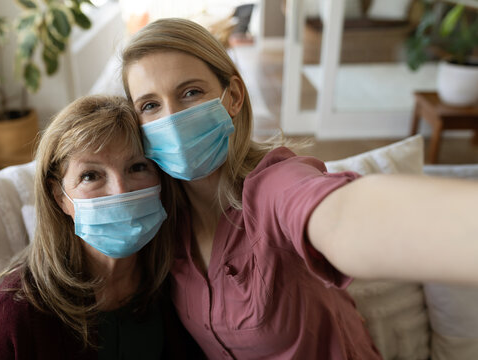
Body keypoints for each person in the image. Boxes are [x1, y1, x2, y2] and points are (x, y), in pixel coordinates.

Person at [120, 18, 478, 359]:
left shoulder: (273, 187)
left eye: (191, 92)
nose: (171, 118)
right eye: (150, 105)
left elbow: (340, 216)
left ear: (233, 98)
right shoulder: (162, 225)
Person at [0, 95, 198, 359]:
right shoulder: (17, 311)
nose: (119, 191)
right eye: (91, 175)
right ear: (60, 197)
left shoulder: (177, 277)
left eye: (137, 167)